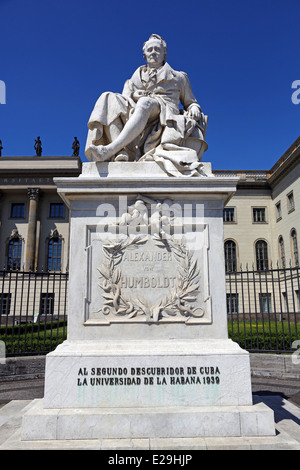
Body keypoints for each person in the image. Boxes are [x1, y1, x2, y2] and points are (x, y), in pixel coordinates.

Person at [85, 34, 208, 175]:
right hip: (137, 112)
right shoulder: (136, 77)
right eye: (150, 50)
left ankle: (111, 149)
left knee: (145, 103)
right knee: (107, 97)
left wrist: (194, 107)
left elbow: (191, 102)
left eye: (157, 49)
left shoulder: (178, 77)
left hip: (164, 113)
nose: (153, 52)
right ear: (144, 54)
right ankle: (121, 152)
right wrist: (134, 95)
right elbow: (122, 102)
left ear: (164, 53)